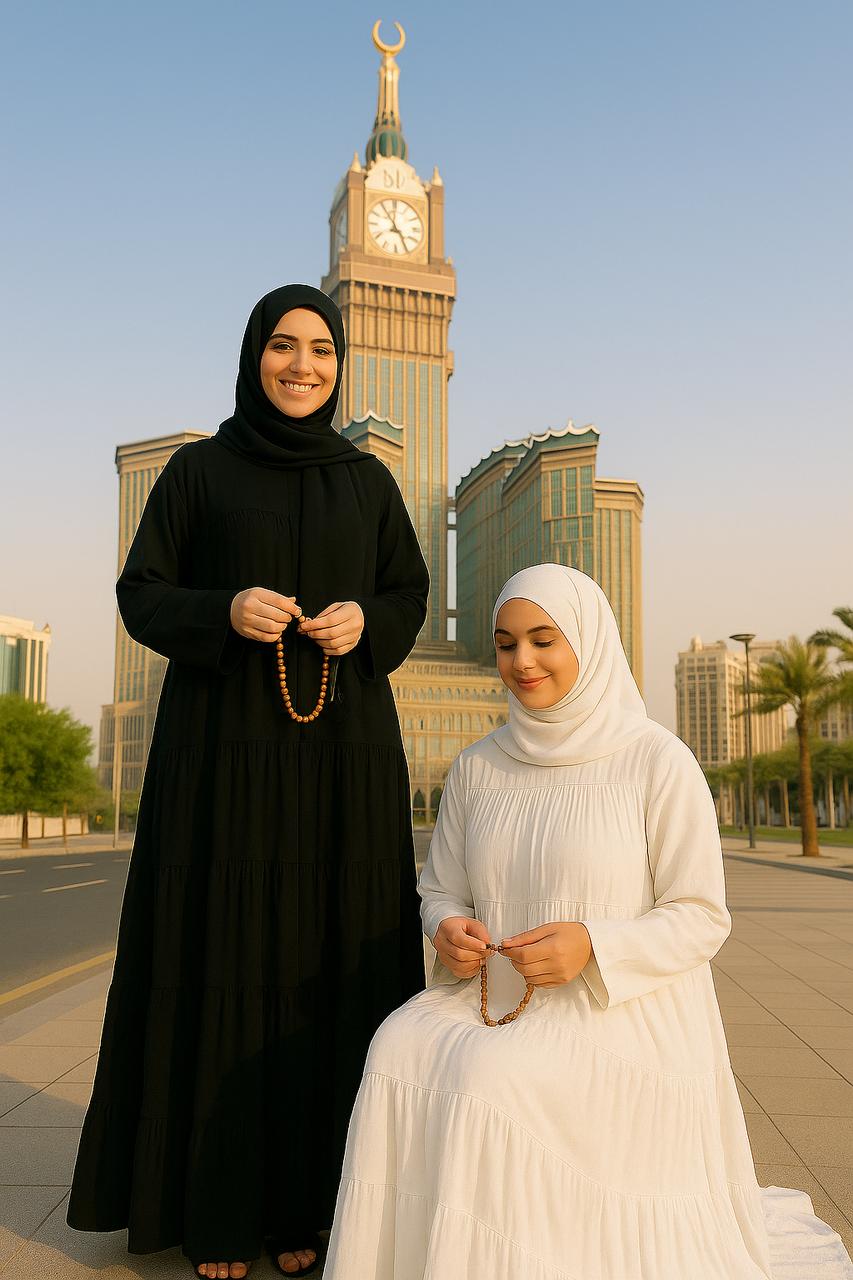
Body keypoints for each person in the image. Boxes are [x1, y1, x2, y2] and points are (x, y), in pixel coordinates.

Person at [324, 563, 853, 1278]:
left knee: (492, 1079)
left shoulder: (655, 761)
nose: (522, 661)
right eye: (505, 644)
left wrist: (594, 946)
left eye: (543, 640)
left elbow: (701, 916)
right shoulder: (477, 768)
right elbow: (441, 890)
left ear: (590, 642)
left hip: (620, 1012)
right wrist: (447, 928)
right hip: (494, 1000)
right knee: (396, 1045)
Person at [67, 284, 429, 1279]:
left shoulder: (368, 482)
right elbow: (142, 594)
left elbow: (408, 593)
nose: (302, 365)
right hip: (220, 758)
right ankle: (217, 1209)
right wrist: (222, 610)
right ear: (252, 356)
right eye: (282, 345)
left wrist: (369, 621)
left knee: (330, 964)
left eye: (321, 349)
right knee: (223, 951)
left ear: (340, 364)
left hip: (343, 760)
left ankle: (310, 1204)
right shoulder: (198, 472)